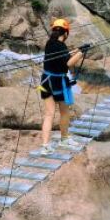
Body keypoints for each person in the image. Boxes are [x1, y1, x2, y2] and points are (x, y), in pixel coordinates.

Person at [37, 19, 91, 155]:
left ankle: (45, 146)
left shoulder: (50, 43)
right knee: (64, 112)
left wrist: (78, 49)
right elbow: (68, 64)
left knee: (49, 114)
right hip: (57, 83)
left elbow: (63, 56)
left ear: (54, 31)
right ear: (66, 33)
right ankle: (64, 139)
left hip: (45, 81)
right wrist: (81, 53)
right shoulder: (61, 46)